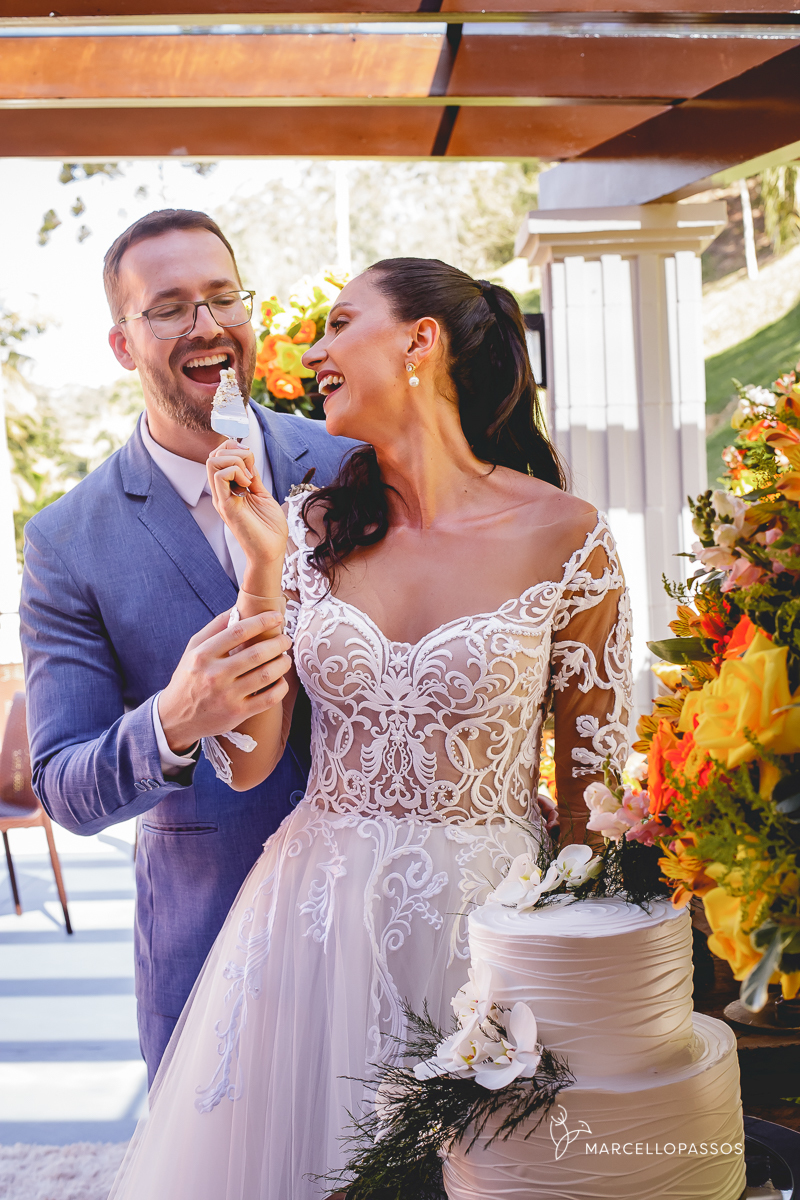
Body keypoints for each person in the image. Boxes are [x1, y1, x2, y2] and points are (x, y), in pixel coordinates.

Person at [108, 258, 632, 1199]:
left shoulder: (568, 535)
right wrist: (259, 570)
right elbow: (249, 761)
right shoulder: (309, 530)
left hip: (489, 929)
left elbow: (596, 803)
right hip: (313, 921)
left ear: (420, 341)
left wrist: (578, 978)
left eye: (341, 324)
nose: (313, 353)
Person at [19, 209, 357, 1085]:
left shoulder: (354, 467)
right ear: (122, 344)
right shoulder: (67, 541)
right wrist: (171, 720)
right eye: (169, 308)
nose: (207, 325)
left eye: (223, 298)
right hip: (208, 944)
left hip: (383, 923)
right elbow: (63, 786)